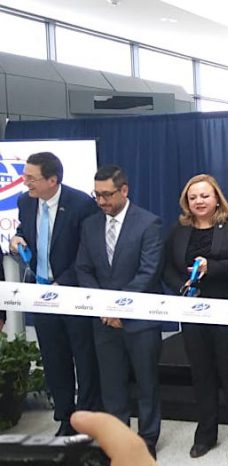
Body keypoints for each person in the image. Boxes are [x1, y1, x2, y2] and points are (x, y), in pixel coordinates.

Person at [75, 165, 164, 458]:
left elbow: (148, 273)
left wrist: (119, 309)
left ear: (124, 190)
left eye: (107, 195)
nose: (101, 201)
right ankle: (118, 439)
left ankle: (147, 439)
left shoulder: (149, 223)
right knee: (111, 386)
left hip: (139, 321)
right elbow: (83, 269)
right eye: (97, 195)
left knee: (147, 383)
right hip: (104, 321)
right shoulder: (89, 225)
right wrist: (104, 307)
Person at [9, 151, 100, 436]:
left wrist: (65, 282)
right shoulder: (25, 201)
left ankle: (87, 418)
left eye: (31, 177)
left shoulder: (82, 204)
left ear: (52, 180)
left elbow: (89, 251)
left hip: (73, 294)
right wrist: (18, 238)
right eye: (24, 176)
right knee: (54, 358)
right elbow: (26, 230)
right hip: (41, 294)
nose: (25, 182)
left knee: (84, 358)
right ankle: (65, 417)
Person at [162, 174, 228, 461]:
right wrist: (181, 288)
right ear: (186, 202)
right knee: (201, 374)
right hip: (192, 313)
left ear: (217, 199)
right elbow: (167, 267)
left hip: (225, 312)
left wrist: (212, 268)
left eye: (204, 196)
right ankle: (206, 435)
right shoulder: (179, 230)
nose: (199, 201)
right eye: (193, 197)